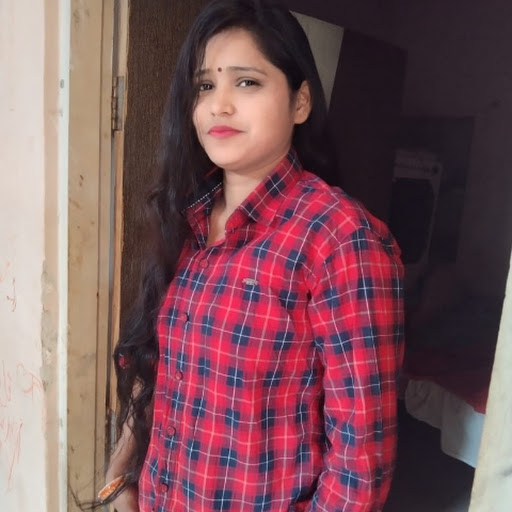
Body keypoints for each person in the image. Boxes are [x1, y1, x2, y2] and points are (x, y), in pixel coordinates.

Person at [99, 0, 404, 510]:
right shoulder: (188, 220)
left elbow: (360, 464)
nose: (219, 105)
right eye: (204, 86)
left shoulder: (338, 237)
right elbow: (156, 369)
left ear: (300, 102)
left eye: (246, 82)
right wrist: (118, 478)